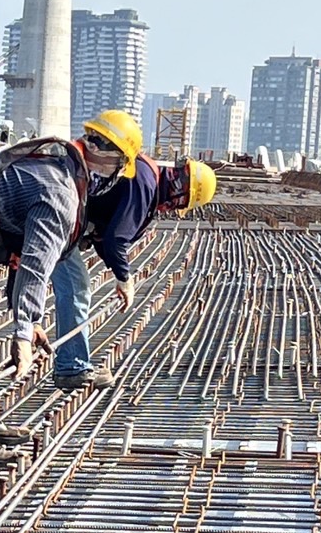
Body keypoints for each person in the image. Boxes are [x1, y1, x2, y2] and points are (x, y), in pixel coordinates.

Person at [0, 109, 143, 468]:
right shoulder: (61, 193)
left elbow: (20, 255)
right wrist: (22, 331)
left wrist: (29, 322)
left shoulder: (62, 161)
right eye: (118, 167)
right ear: (109, 158)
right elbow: (36, 262)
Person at [50, 154, 217, 388]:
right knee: (77, 289)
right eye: (179, 203)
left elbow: (105, 233)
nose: (171, 209)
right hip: (56, 216)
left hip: (62, 214)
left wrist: (118, 272)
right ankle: (71, 368)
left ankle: (68, 361)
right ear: (181, 188)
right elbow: (116, 240)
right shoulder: (145, 182)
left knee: (74, 286)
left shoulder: (144, 175)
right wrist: (124, 279)